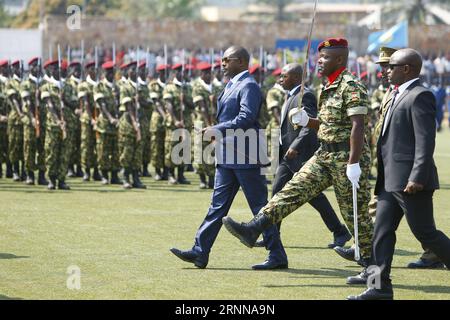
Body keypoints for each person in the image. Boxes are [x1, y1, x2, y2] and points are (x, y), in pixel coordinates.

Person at [222, 38, 374, 268]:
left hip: (347, 157)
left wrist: (354, 163)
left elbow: (357, 125)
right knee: (291, 191)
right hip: (325, 155)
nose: (319, 62)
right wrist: (308, 121)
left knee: (356, 216)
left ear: (340, 60)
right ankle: (253, 229)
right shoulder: (328, 86)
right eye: (319, 57)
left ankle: (372, 270)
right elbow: (327, 123)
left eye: (326, 58)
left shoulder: (351, 85)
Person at [170, 46, 288, 270]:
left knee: (259, 207)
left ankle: (277, 254)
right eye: (222, 60)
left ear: (242, 62)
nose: (222, 64)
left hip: (246, 154)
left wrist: (216, 129)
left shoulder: (249, 86)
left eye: (227, 60)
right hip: (227, 155)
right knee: (217, 206)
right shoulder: (232, 85)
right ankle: (200, 251)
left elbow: (246, 117)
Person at [348, 48, 450, 300]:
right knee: (380, 233)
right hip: (389, 180)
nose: (386, 70)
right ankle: (378, 287)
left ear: (407, 69)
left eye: (391, 66)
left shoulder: (420, 95)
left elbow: (425, 142)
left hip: (410, 181)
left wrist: (417, 175)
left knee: (425, 233)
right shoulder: (395, 95)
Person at [257, 63, 351, 249]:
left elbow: (309, 124)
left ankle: (339, 231)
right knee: (277, 192)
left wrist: (295, 146)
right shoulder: (290, 96)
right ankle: (272, 236)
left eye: (284, 75)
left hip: (299, 154)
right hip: (287, 155)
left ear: (295, 77)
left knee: (313, 196)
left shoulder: (304, 95)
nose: (280, 79)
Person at [40, 60, 70, 190]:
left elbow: (74, 103)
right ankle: (51, 179)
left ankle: (61, 180)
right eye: (53, 69)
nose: (56, 71)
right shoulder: (46, 86)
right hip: (53, 126)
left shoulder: (66, 86)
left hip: (67, 125)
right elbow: (50, 105)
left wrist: (65, 100)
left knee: (64, 153)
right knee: (51, 153)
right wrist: (58, 121)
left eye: (58, 68)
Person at [118, 61, 146, 189]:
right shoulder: (126, 87)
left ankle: (136, 177)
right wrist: (135, 124)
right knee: (127, 152)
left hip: (141, 122)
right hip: (129, 124)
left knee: (138, 152)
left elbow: (148, 104)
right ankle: (125, 177)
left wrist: (141, 99)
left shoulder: (141, 87)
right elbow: (129, 107)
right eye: (132, 69)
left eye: (136, 69)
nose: (134, 72)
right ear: (128, 72)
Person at [94, 61, 121, 185]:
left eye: (112, 72)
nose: (110, 74)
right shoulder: (99, 86)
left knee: (116, 151)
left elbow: (121, 105)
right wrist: (111, 118)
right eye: (108, 72)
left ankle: (114, 175)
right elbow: (101, 105)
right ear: (104, 73)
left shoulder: (117, 87)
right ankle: (104, 175)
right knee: (103, 151)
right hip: (105, 124)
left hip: (116, 125)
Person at [191, 62, 216, 189]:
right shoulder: (197, 87)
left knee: (212, 151)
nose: (208, 76)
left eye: (209, 73)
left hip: (214, 123)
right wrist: (209, 126)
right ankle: (202, 179)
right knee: (200, 151)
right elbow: (202, 107)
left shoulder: (215, 87)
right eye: (205, 73)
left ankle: (211, 179)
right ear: (201, 74)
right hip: (201, 124)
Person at [20, 57, 41, 185]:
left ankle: (42, 175)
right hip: (30, 122)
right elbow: (26, 103)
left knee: (43, 149)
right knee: (29, 148)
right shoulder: (26, 83)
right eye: (34, 66)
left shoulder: (44, 83)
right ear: (30, 68)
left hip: (44, 122)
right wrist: (33, 118)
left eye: (38, 66)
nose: (37, 68)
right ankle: (30, 174)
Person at [149, 64, 170, 181]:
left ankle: (166, 171)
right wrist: (165, 115)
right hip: (157, 120)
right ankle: (157, 171)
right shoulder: (154, 85)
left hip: (168, 121)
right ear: (159, 74)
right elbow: (156, 103)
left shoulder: (170, 86)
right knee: (156, 146)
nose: (165, 75)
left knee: (167, 147)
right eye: (163, 73)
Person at [6, 60, 24, 182]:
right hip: (15, 118)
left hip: (26, 119)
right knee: (14, 145)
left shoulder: (25, 82)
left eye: (20, 67)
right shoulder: (10, 83)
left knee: (25, 145)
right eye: (16, 67)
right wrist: (20, 114)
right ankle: (15, 170)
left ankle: (24, 171)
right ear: (13, 69)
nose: (19, 69)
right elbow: (14, 100)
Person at [0, 60, 10, 178]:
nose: (8, 69)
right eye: (5, 67)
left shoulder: (11, 82)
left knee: (10, 145)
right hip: (1, 118)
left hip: (10, 120)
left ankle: (10, 169)